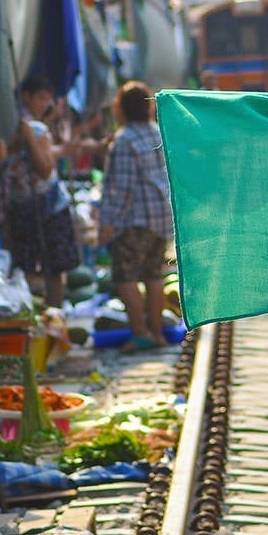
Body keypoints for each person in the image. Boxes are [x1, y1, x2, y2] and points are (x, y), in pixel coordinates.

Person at [98, 81, 175, 352]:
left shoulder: (124, 139)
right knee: (154, 275)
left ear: (121, 109)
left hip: (136, 220)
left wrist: (108, 223)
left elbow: (121, 189)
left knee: (125, 277)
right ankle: (157, 333)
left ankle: (140, 332)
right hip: (162, 217)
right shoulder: (158, 132)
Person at [5, 76, 82, 308]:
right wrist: (30, 136)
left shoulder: (8, 124)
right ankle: (53, 315)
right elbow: (45, 168)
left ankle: (41, 316)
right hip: (45, 207)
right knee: (52, 268)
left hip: (24, 206)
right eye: (41, 98)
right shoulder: (34, 128)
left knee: (31, 266)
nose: (44, 105)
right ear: (25, 96)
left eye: (48, 100)